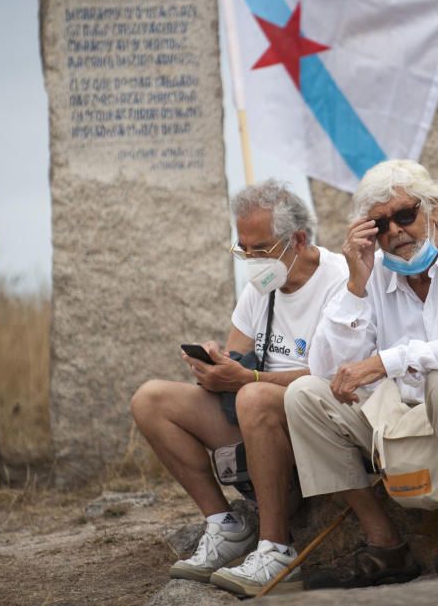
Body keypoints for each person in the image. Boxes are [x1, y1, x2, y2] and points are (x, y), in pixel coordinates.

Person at [284, 159, 438, 588]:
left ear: (432, 208)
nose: (395, 231)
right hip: (401, 421)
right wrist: (355, 283)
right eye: (380, 224)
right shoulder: (372, 273)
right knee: (303, 394)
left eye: (405, 215)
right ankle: (386, 542)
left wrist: (388, 361)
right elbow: (323, 368)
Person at [130, 180, 347, 596]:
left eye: (259, 248)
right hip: (252, 410)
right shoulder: (262, 286)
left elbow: (333, 379)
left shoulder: (338, 282)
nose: (250, 259)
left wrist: (247, 380)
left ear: (298, 239)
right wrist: (216, 365)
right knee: (151, 399)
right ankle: (225, 524)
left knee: (253, 396)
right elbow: (237, 353)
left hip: (310, 418)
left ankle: (276, 546)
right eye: (242, 248)